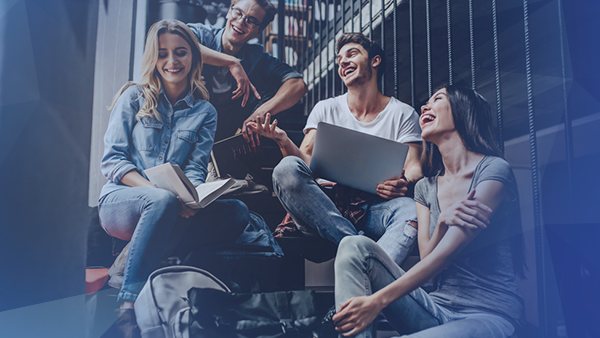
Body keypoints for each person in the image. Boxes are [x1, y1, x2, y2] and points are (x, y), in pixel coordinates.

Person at [332, 85, 526, 337]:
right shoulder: (426, 186)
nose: (425, 105)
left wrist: (377, 301)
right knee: (353, 245)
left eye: (438, 99)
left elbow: (445, 256)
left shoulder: (493, 170)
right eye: (426, 100)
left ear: (462, 110)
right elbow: (429, 260)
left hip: (487, 314)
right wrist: (442, 223)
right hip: (437, 308)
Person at [98, 19, 252, 311]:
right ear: (152, 57)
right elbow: (113, 162)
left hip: (170, 205)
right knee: (162, 201)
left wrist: (190, 197)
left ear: (193, 56)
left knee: (237, 212)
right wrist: (163, 195)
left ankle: (132, 257)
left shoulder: (205, 112)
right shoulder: (133, 97)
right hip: (120, 202)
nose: (172, 60)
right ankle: (129, 301)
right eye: (162, 52)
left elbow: (194, 168)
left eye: (180, 52)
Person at [247, 33, 423, 266]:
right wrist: (283, 141)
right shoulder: (325, 108)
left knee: (410, 210)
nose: (342, 62)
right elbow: (304, 164)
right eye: (339, 59)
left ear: (375, 61)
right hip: (323, 205)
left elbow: (414, 166)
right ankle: (359, 251)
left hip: (374, 206)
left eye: (352, 54)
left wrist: (405, 182)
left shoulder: (402, 113)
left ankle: (366, 270)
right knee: (285, 168)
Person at [188, 0, 308, 145]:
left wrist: (261, 113)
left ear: (259, 30)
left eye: (251, 21)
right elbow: (173, 44)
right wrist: (231, 62)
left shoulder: (257, 58)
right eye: (238, 13)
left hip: (220, 140)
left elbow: (298, 84)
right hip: (182, 128)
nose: (241, 22)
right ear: (228, 12)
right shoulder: (202, 35)